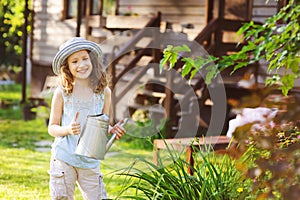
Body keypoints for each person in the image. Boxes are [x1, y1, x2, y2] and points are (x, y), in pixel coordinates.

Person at [48, 37, 126, 200]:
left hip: (89, 162)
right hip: (64, 159)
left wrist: (112, 130)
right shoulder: (62, 93)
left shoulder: (104, 93)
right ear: (67, 67)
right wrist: (68, 129)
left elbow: (101, 126)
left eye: (85, 58)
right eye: (74, 61)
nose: (81, 64)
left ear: (92, 60)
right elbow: (52, 127)